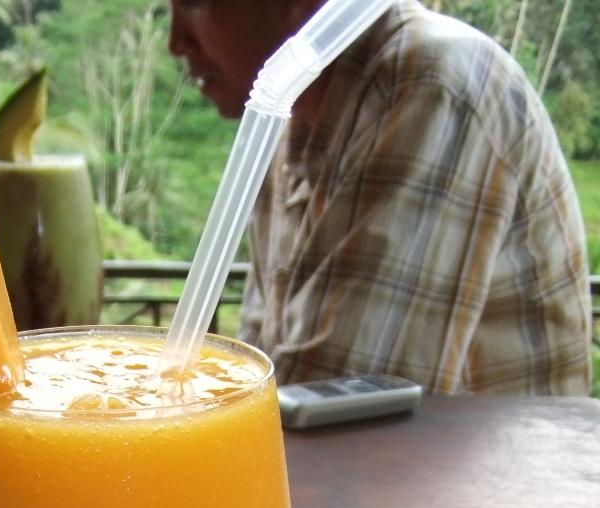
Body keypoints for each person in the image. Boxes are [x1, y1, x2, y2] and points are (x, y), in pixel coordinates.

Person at [168, 0, 593, 394]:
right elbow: (262, 374)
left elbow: (339, 403)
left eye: (193, 4)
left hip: (495, 454)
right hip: (376, 456)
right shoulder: (283, 125)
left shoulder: (433, 81)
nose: (176, 42)